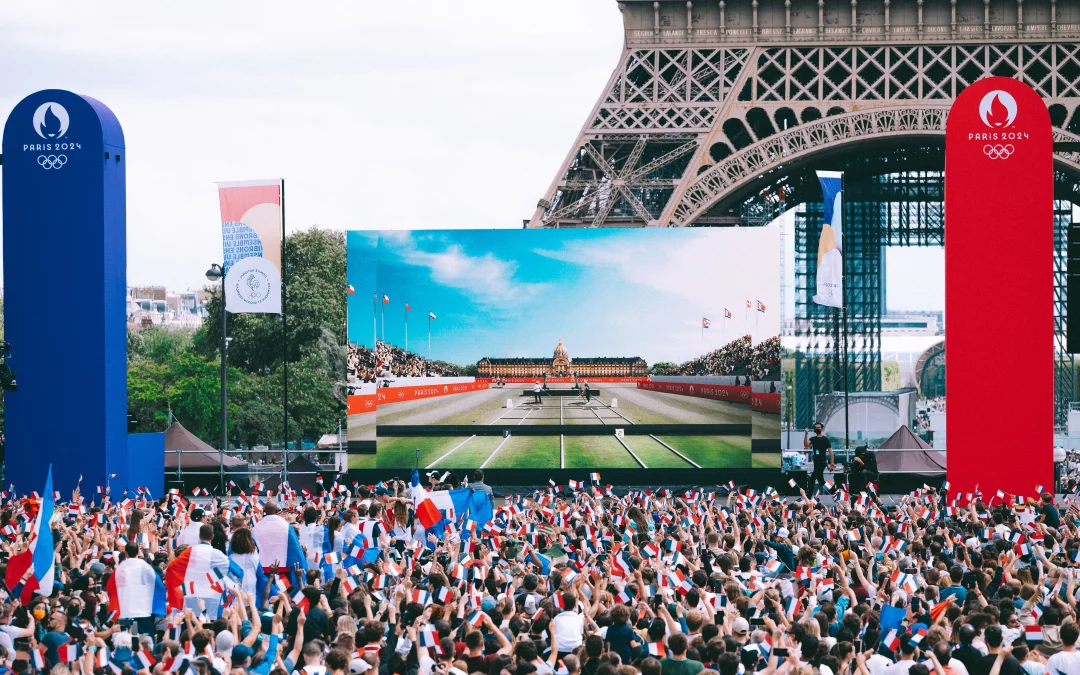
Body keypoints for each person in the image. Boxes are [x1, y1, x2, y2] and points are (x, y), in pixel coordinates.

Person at [804, 422, 836, 495]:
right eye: (815, 428)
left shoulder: (825, 439)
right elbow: (806, 444)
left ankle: (808, 496)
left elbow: (831, 452)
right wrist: (806, 434)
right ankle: (834, 491)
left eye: (818, 427)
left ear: (822, 428)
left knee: (812, 479)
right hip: (816, 462)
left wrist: (832, 464)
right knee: (821, 481)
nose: (817, 429)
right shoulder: (813, 439)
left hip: (822, 462)